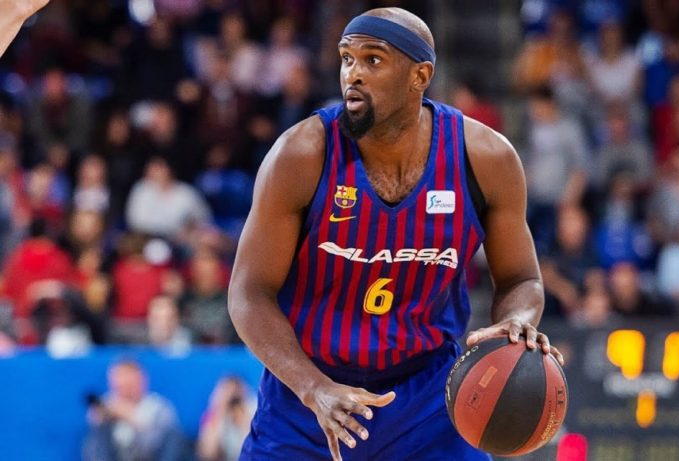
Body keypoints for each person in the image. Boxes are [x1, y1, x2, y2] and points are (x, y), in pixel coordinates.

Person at [228, 8, 562, 461]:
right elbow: (249, 293)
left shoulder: (485, 159)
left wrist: (518, 320)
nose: (353, 74)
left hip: (429, 399)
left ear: (419, 76)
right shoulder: (301, 154)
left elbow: (522, 279)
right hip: (309, 395)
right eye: (347, 59)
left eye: (373, 60)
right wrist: (313, 388)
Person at [82, 360, 189, 461]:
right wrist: (102, 418)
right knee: (96, 436)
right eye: (120, 384)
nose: (124, 388)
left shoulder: (157, 406)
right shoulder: (107, 404)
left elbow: (160, 442)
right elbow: (94, 436)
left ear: (141, 381)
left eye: (129, 383)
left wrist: (130, 416)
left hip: (150, 456)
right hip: (115, 456)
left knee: (173, 435)